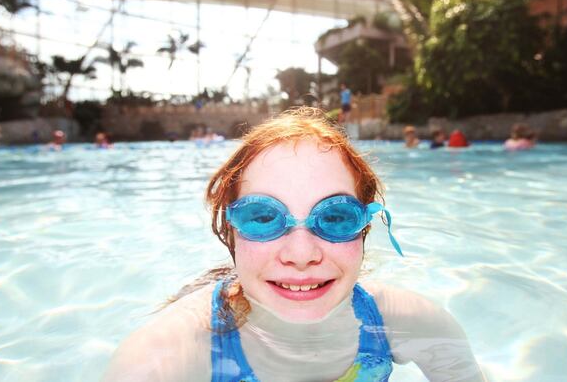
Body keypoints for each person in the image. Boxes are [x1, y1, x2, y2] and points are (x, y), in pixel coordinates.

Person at [104, 107, 484, 382]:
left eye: (335, 218)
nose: (302, 255)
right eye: (262, 217)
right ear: (230, 230)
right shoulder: (162, 359)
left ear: (365, 228)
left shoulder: (408, 324)